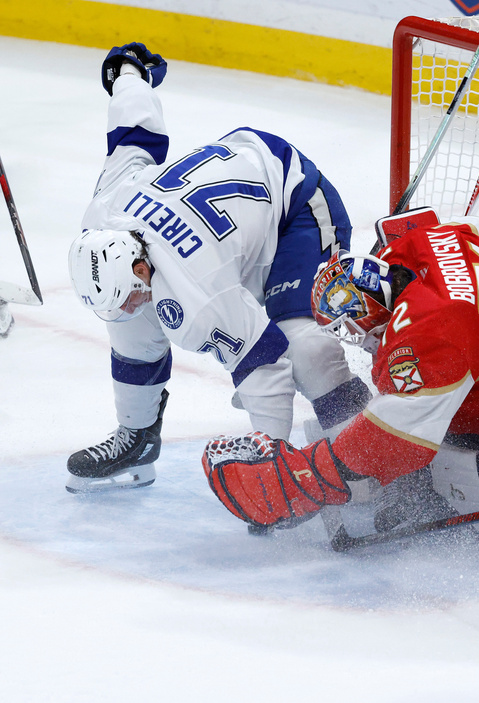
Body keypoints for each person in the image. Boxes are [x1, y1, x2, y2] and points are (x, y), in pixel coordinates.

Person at [201, 213, 479, 538]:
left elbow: (398, 437)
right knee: (449, 478)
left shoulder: (431, 334)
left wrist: (307, 475)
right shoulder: (417, 245)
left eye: (354, 330)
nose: (361, 341)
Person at [66, 42, 369, 493]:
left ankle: (369, 456)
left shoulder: (198, 292)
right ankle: (138, 436)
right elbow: (133, 135)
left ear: (140, 266)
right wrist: (129, 74)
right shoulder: (106, 208)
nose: (129, 304)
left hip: (295, 204)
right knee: (130, 326)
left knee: (305, 350)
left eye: (131, 292)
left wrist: (272, 468)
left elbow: (265, 364)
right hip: (234, 213)